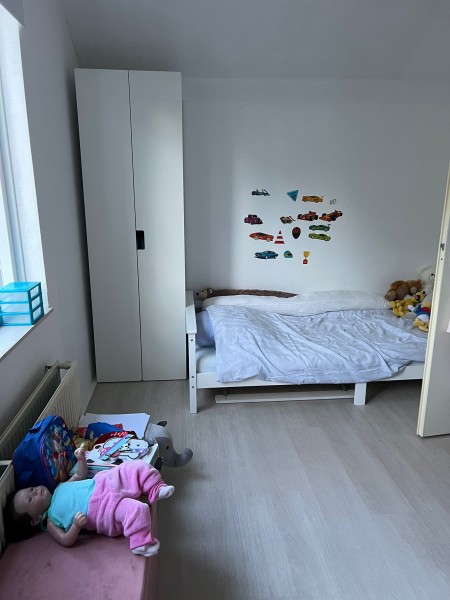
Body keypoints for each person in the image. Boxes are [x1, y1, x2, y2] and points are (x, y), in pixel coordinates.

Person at [5, 448, 174, 557]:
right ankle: (140, 543)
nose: (35, 491)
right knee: (137, 510)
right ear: (35, 519)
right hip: (101, 510)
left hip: (104, 484)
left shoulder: (59, 487)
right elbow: (65, 540)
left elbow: (80, 474)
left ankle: (155, 488)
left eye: (31, 489)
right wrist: (75, 526)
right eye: (30, 498)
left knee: (134, 466)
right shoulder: (51, 521)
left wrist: (81, 460)